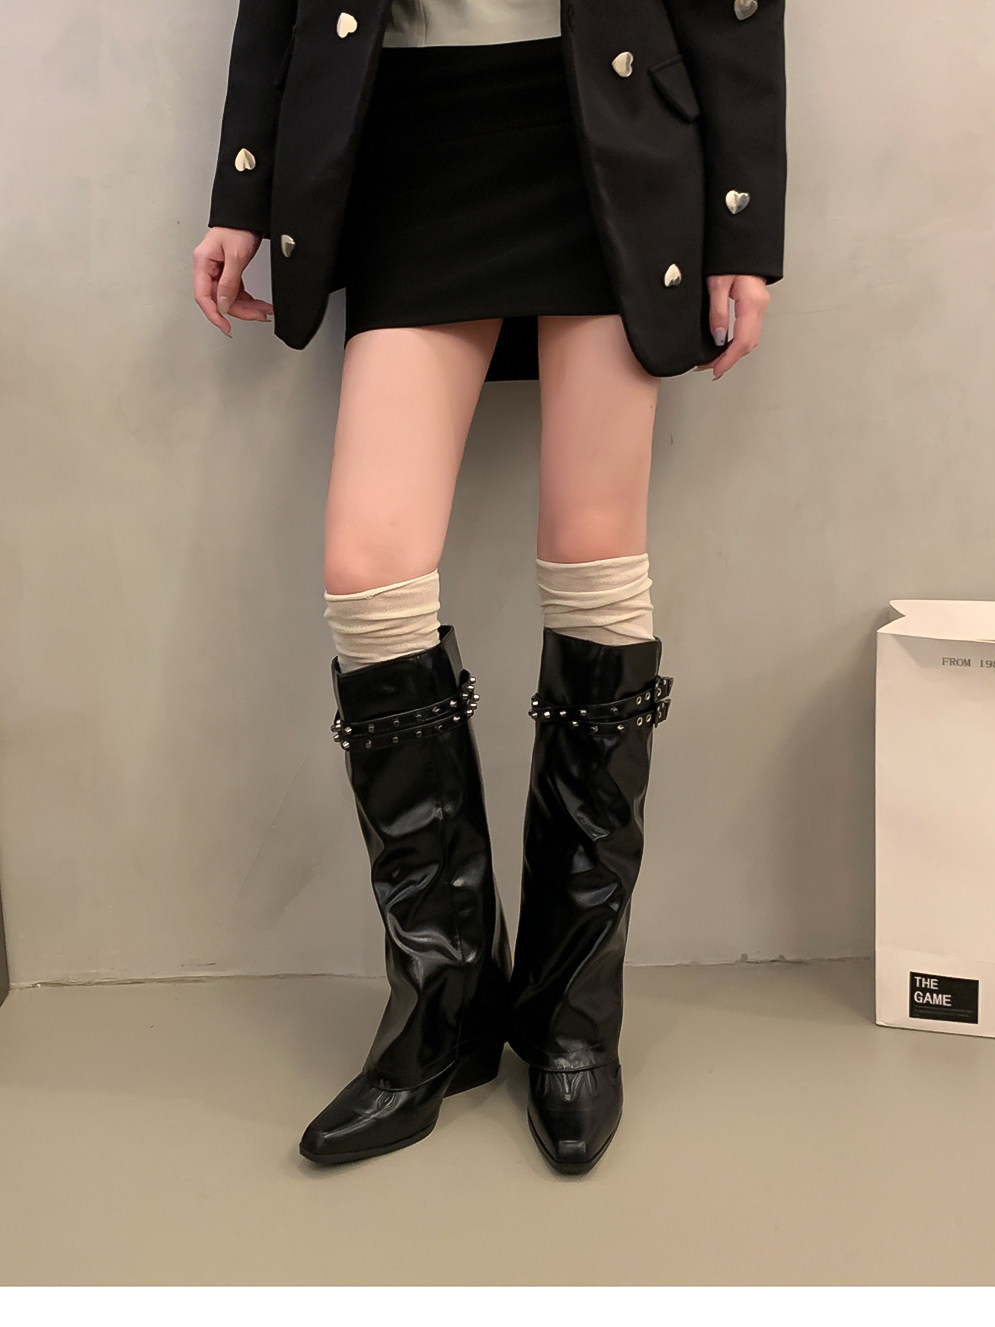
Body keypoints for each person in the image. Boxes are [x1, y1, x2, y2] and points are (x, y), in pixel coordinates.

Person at [193, 0, 786, 1176]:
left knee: (594, 555)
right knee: (368, 568)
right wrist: (243, 188)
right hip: (407, 133)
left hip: (604, 117)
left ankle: (571, 1013)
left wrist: (742, 222)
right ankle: (444, 1003)